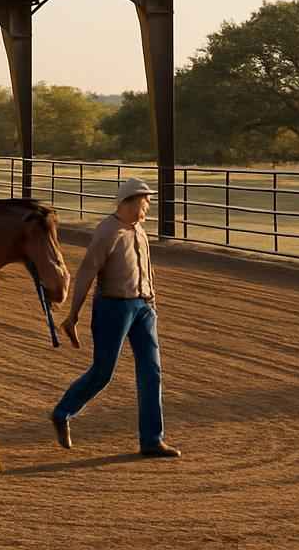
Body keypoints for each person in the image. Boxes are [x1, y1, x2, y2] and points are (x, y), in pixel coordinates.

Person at [51, 177, 181, 458]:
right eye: (145, 200)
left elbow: (145, 269)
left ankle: (151, 440)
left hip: (144, 307)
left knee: (151, 372)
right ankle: (63, 412)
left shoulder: (140, 231)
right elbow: (87, 271)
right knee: (103, 372)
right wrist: (73, 314)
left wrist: (152, 301)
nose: (148, 205)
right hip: (113, 307)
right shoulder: (108, 231)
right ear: (130, 201)